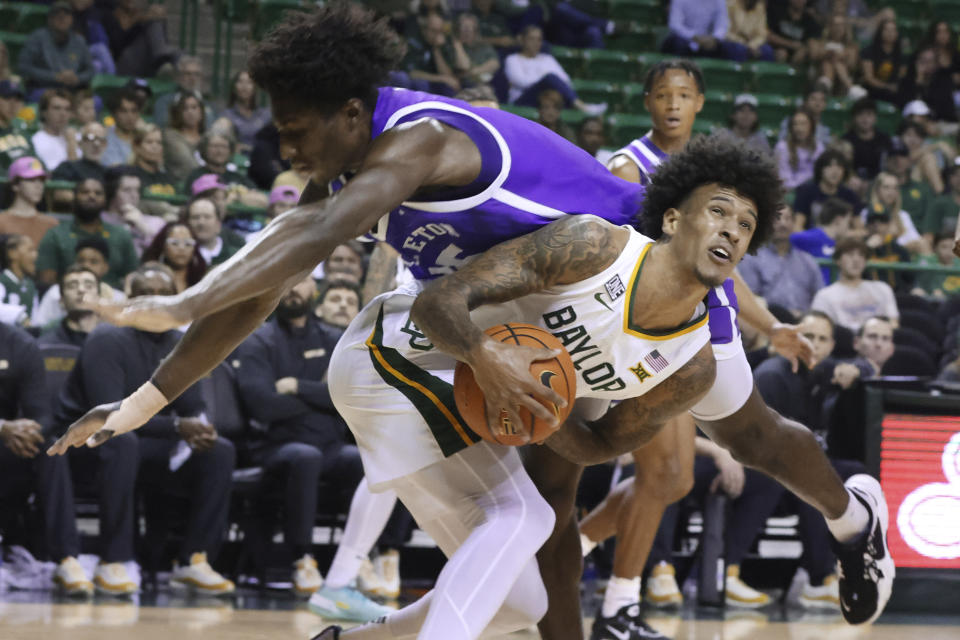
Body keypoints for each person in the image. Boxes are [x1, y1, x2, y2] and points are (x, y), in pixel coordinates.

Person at [44, 6, 892, 635]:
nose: (286, 150)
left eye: (296, 131)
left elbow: (317, 234)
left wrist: (180, 302)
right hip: (519, 318)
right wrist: (145, 402)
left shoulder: (419, 141)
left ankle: (852, 519)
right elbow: (267, 286)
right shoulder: (340, 171)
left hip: (630, 281)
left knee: (747, 431)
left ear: (350, 112)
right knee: (542, 510)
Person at [54, 263, 236, 595]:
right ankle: (114, 560)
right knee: (123, 445)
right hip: (87, 449)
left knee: (219, 451)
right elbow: (109, 418)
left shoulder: (183, 343)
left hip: (149, 444)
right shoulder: (106, 338)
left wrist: (201, 427)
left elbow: (192, 406)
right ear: (130, 301)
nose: (156, 303)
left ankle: (194, 560)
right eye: (146, 296)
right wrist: (179, 427)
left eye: (165, 296)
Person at [235, 275, 366, 596]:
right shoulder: (257, 341)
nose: (292, 287)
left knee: (366, 461)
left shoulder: (335, 338)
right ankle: (302, 558)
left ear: (314, 290)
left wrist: (296, 386)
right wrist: (320, 398)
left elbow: (348, 397)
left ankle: (363, 558)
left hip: (331, 446)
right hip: (275, 446)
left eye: (302, 279)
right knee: (305, 457)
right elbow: (264, 407)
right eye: (286, 280)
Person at [0, 321, 91, 595]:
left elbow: (41, 413)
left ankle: (67, 559)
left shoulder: (18, 344)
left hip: (6, 443)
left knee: (49, 449)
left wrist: (27, 432)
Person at [35, 178, 139, 289]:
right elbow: (46, 281)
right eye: (85, 192)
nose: (91, 196)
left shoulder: (121, 235)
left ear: (106, 199)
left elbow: (132, 278)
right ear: (74, 197)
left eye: (98, 193)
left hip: (113, 298)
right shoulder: (55, 235)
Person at [738, 205, 823, 315]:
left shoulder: (807, 261)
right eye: (777, 218)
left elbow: (819, 297)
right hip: (766, 322)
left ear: (793, 223)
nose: (783, 224)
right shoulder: (752, 259)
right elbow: (748, 300)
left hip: (804, 324)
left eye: (788, 219)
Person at [504, 25, 603, 114]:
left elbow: (565, 79)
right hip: (522, 100)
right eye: (531, 39)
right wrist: (545, 79)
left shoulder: (547, 58)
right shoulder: (512, 59)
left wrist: (546, 80)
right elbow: (521, 82)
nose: (536, 43)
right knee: (550, 78)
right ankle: (580, 105)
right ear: (522, 40)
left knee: (553, 88)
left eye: (539, 39)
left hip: (547, 98)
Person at [32, 235, 126, 328]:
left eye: (93, 262)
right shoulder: (55, 293)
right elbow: (41, 327)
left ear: (105, 267)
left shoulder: (119, 298)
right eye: (81, 260)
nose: (86, 265)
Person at [811, 237, 899, 332]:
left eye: (861, 255)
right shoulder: (824, 296)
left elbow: (893, 323)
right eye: (850, 254)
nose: (856, 260)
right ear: (838, 260)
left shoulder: (882, 289)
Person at [18, 1, 93, 97]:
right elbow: (24, 67)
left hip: (71, 91)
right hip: (42, 89)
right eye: (57, 15)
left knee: (96, 101)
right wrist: (54, 77)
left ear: (72, 19)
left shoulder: (79, 41)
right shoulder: (37, 37)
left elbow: (90, 71)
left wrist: (77, 78)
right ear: (50, 19)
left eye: (66, 15)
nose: (62, 18)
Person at [100, 0, 179, 78]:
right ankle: (163, 60)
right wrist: (140, 20)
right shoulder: (109, 12)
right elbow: (119, 44)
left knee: (156, 21)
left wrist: (162, 19)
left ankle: (164, 59)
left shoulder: (138, 13)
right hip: (124, 62)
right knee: (153, 22)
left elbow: (162, 39)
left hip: (144, 60)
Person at [99, 166, 165, 255]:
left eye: (137, 190)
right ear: (111, 192)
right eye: (126, 190)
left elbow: (164, 253)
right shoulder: (98, 220)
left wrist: (143, 227)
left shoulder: (155, 222)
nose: (134, 196)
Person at [793, 149, 862, 229]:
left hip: (841, 239)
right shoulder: (806, 192)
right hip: (813, 238)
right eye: (830, 166)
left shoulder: (849, 195)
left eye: (839, 167)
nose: (835, 171)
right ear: (821, 170)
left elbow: (860, 229)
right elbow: (797, 226)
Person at [862, 170, 926, 256]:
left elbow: (916, 239)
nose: (891, 192)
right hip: (877, 254)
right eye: (886, 187)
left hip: (901, 255)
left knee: (923, 243)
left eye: (895, 188)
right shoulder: (867, 213)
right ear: (877, 190)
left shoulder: (903, 215)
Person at [791, 197, 854, 283]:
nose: (848, 227)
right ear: (838, 220)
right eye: (848, 222)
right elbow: (785, 241)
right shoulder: (809, 237)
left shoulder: (839, 244)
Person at [0, 157, 59, 246]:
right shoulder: (2, 222)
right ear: (15, 185)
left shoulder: (51, 224)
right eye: (31, 180)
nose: (38, 185)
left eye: (42, 180)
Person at [38, 264, 100, 345]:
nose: (81, 290)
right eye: (72, 286)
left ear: (99, 297)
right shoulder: (46, 342)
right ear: (61, 300)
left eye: (88, 286)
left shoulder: (111, 339)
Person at [897, 46, 957, 125]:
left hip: (941, 121)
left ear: (936, 63)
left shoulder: (943, 80)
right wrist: (919, 79)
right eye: (923, 61)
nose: (927, 64)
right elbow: (908, 104)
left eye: (931, 61)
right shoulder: (908, 80)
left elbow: (939, 107)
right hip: (913, 123)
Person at [140, 222, 206, 293]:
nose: (181, 248)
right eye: (174, 243)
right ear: (163, 246)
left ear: (194, 249)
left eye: (188, 243)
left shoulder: (203, 280)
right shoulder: (147, 277)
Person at [661, 0, 738, 60]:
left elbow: (722, 24)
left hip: (709, 42)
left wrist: (715, 38)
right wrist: (694, 36)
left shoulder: (719, 1)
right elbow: (675, 24)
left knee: (734, 49)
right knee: (676, 42)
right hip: (686, 40)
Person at [152, 56, 213, 130]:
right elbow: (162, 125)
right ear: (179, 77)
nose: (192, 78)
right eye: (187, 73)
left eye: (196, 74)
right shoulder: (164, 101)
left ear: (201, 77)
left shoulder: (209, 104)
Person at [218, 70, 271, 154]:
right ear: (234, 87)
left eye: (249, 82)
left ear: (255, 87)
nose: (244, 86)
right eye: (240, 81)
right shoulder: (226, 116)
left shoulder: (266, 115)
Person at [842, 97, 893, 182]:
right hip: (853, 182)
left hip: (881, 181)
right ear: (854, 118)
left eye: (869, 114)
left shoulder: (884, 139)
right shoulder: (846, 140)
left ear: (875, 117)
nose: (865, 119)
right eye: (860, 114)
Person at [183, 196, 241, 267]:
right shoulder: (179, 257)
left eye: (207, 217)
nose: (201, 222)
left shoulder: (237, 256)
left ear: (218, 223)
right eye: (195, 217)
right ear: (187, 223)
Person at [775, 109, 824, 190]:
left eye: (803, 124)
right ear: (791, 127)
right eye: (795, 124)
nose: (799, 128)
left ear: (811, 126)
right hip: (790, 192)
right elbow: (784, 179)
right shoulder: (782, 147)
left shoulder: (819, 147)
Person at [30, 89, 78, 172]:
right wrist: (71, 145)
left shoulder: (78, 137)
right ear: (44, 112)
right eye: (56, 108)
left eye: (67, 109)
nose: (63, 114)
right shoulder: (36, 141)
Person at [860, 17, 905, 104]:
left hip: (892, 90)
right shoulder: (869, 51)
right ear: (880, 32)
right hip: (872, 89)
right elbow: (869, 78)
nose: (890, 33)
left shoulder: (901, 55)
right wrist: (887, 86)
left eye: (893, 30)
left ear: (897, 34)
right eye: (887, 30)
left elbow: (901, 76)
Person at [447, 13, 500, 88]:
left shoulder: (483, 46)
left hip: (485, 83)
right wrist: (457, 43)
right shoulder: (453, 48)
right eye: (464, 27)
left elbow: (495, 63)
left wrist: (473, 72)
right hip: (466, 85)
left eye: (470, 28)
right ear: (458, 29)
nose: (467, 31)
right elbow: (464, 66)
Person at [162, 92, 204, 185]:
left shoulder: (207, 137)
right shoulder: (170, 136)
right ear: (178, 113)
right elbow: (188, 165)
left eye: (194, 107)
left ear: (201, 111)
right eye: (185, 108)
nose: (190, 112)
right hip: (182, 185)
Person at [813, 13, 858, 96]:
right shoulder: (820, 43)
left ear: (846, 28)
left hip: (841, 81)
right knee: (828, 62)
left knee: (838, 63)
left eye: (841, 25)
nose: (838, 28)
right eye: (836, 25)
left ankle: (826, 82)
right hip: (820, 74)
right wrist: (828, 54)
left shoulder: (851, 47)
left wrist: (843, 56)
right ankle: (850, 87)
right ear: (829, 27)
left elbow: (852, 66)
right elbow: (814, 57)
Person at [128, 123, 178, 199]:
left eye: (159, 143)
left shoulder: (167, 176)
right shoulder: (129, 176)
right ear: (136, 147)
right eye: (149, 142)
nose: (155, 147)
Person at [0, 233, 39, 325]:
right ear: (12, 253)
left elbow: (35, 318)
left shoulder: (31, 285)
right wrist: (20, 316)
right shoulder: (2, 281)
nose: (36, 255)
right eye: (30, 250)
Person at [766, 0, 819, 65]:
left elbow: (813, 42)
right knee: (781, 53)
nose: (800, 1)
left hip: (798, 55)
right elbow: (769, 36)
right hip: (776, 50)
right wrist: (791, 44)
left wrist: (805, 50)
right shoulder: (778, 12)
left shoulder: (809, 20)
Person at [101, 88, 142, 168]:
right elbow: (116, 170)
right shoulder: (105, 138)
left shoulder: (145, 137)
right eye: (123, 111)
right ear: (113, 114)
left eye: (134, 111)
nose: (130, 117)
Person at [0, 80, 33, 172]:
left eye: (18, 100)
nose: (13, 105)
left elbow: (36, 162)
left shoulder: (22, 130)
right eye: (7, 98)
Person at [926, 164, 960, 242]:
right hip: (947, 247)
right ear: (950, 178)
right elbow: (929, 234)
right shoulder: (939, 203)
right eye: (956, 175)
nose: (959, 179)